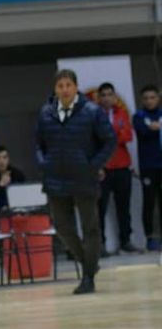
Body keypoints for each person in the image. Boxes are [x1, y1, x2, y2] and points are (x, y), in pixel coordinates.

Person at [35, 69, 116, 295]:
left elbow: (109, 141)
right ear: (55, 89)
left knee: (90, 228)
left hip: (84, 178)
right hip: (55, 179)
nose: (64, 90)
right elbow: (38, 144)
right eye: (60, 86)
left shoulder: (92, 111)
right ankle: (89, 263)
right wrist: (43, 163)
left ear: (76, 87)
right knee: (62, 227)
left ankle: (88, 277)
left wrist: (93, 165)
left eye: (68, 85)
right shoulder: (46, 112)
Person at [95, 83, 137, 254]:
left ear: (114, 97)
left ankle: (126, 240)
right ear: (99, 98)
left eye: (109, 94)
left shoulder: (122, 113)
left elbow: (128, 136)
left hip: (122, 167)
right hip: (103, 168)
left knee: (124, 207)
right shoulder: (94, 116)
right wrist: (115, 133)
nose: (107, 98)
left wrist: (108, 136)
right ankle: (100, 244)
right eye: (103, 95)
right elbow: (94, 139)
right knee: (100, 208)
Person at [134, 84, 162, 251]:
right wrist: (153, 128)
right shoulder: (139, 116)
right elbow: (143, 132)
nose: (149, 101)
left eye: (152, 97)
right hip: (148, 167)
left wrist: (154, 128)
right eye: (146, 98)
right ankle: (150, 237)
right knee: (149, 202)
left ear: (158, 98)